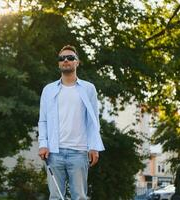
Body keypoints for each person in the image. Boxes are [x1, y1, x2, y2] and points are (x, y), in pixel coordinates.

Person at [38, 45, 105, 200]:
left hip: (79, 152)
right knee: (55, 197)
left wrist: (94, 147)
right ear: (58, 63)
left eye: (70, 58)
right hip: (54, 152)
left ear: (77, 62)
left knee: (80, 197)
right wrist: (43, 143)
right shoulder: (48, 90)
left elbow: (93, 120)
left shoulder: (88, 89)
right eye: (62, 58)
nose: (66, 61)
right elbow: (43, 120)